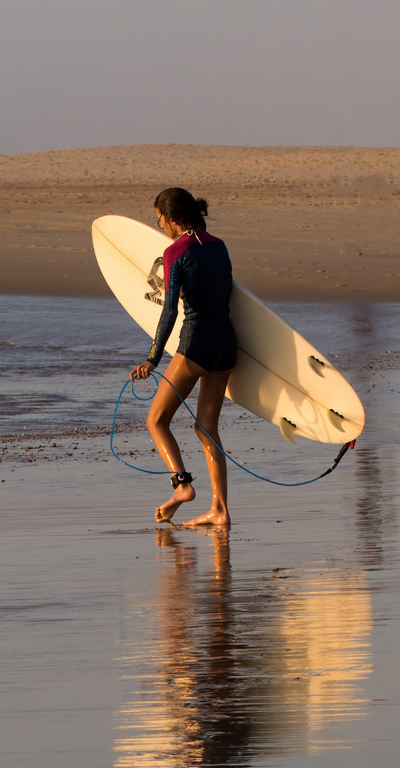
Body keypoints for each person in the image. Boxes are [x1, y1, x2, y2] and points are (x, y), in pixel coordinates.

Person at [128, 187, 237, 528]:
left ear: (173, 219)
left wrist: (152, 358)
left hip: (196, 346)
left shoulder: (177, 251)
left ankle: (182, 486)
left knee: (156, 420)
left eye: (159, 218)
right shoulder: (219, 245)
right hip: (227, 345)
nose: (159, 224)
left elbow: (169, 313)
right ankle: (219, 510)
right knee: (207, 429)